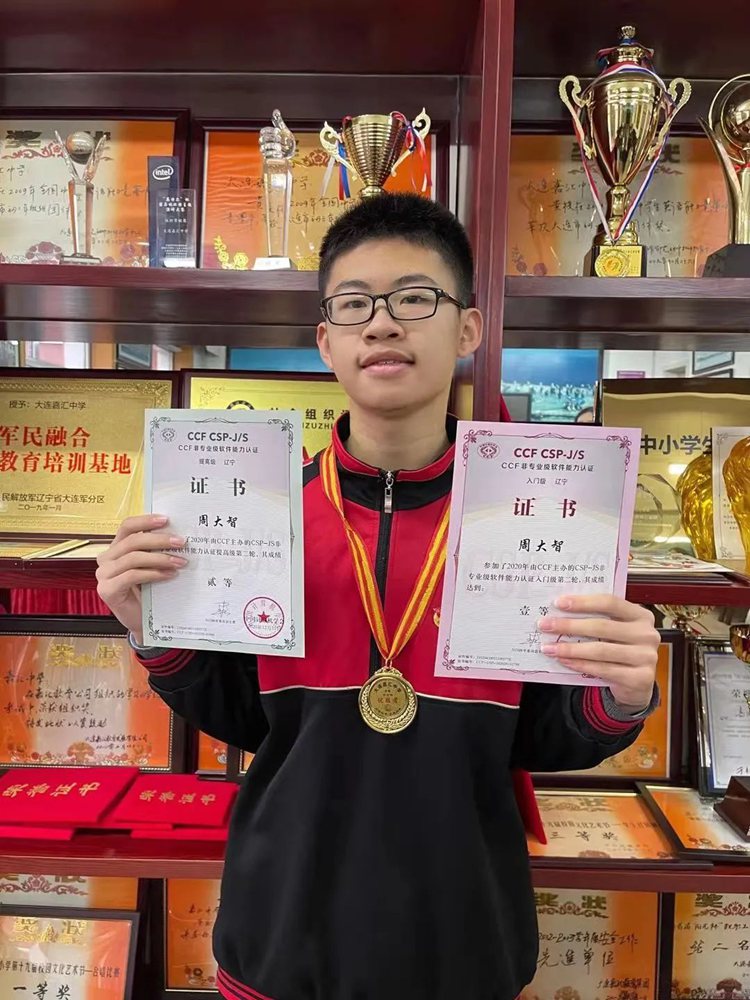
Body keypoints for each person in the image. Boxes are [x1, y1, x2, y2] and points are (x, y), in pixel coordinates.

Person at [96, 193, 660, 1000]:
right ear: (326, 339)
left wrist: (619, 694)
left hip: (464, 945)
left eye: (415, 299)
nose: (383, 324)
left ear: (468, 329)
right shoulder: (265, 520)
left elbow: (543, 734)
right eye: (355, 304)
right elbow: (249, 720)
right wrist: (156, 632)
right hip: (281, 942)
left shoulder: (537, 524)